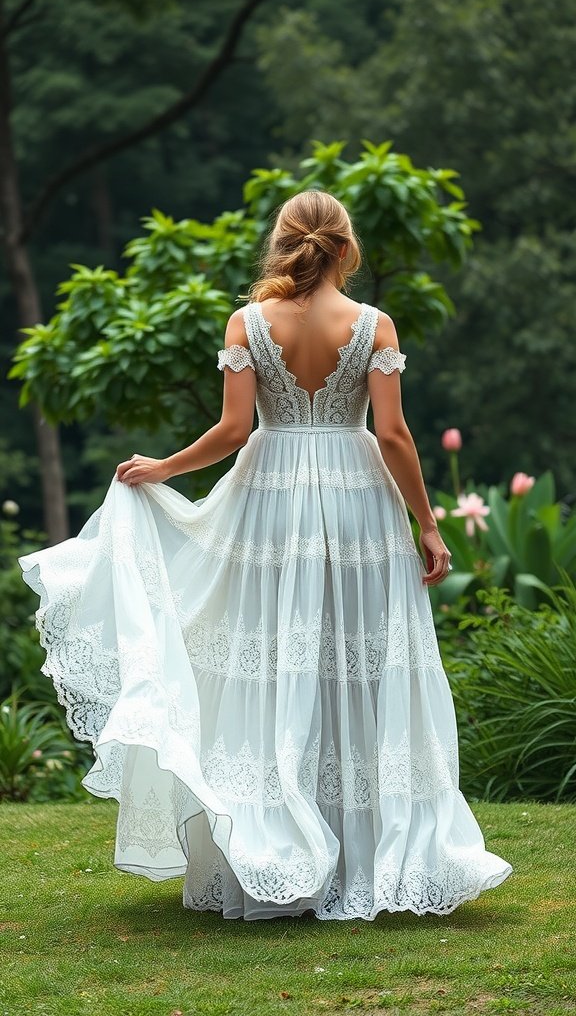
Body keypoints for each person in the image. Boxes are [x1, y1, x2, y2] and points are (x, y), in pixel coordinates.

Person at [19, 189, 513, 920]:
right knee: (362, 662)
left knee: (279, 657)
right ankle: (368, 850)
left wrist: (164, 467)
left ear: (283, 244)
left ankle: (276, 845)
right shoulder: (373, 324)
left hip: (271, 497)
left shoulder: (248, 322)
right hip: (356, 501)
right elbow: (396, 436)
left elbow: (230, 429)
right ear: (346, 248)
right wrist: (429, 525)